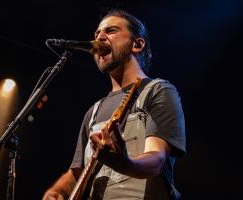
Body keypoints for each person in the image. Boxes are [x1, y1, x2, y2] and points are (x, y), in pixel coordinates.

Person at [42, 9, 186, 200]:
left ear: (137, 44)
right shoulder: (93, 111)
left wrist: (124, 163)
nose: (99, 37)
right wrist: (58, 191)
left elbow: (156, 159)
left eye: (111, 31)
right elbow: (79, 171)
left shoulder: (158, 91)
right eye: (96, 34)